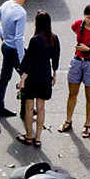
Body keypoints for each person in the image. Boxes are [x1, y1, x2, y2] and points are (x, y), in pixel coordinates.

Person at [59, 4, 90, 138]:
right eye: (88, 18)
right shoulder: (78, 25)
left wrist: (89, 50)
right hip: (77, 61)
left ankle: (87, 124)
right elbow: (73, 28)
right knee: (72, 93)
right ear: (83, 16)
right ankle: (68, 121)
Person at [16, 11, 62, 147]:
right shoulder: (54, 38)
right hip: (45, 73)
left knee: (29, 107)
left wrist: (23, 78)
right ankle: (38, 138)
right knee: (41, 107)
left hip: (33, 75)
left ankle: (28, 136)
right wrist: (54, 73)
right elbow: (56, 56)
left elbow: (29, 59)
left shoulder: (35, 40)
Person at [0, 0, 32, 118]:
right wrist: (22, 60)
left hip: (5, 46)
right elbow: (19, 38)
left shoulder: (7, 4)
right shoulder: (21, 13)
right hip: (14, 49)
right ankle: (24, 110)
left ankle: (0, 107)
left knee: (4, 77)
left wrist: (2, 35)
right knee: (26, 78)